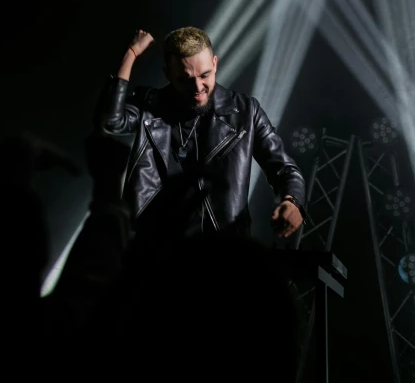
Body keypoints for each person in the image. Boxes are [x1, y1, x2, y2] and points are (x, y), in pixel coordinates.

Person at [98, 26, 306, 254]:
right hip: (156, 249)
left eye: (205, 75)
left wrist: (292, 201)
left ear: (215, 63)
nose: (197, 87)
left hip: (221, 250)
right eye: (185, 79)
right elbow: (111, 121)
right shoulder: (151, 105)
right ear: (167, 74)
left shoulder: (245, 112)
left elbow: (284, 169)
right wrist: (131, 53)